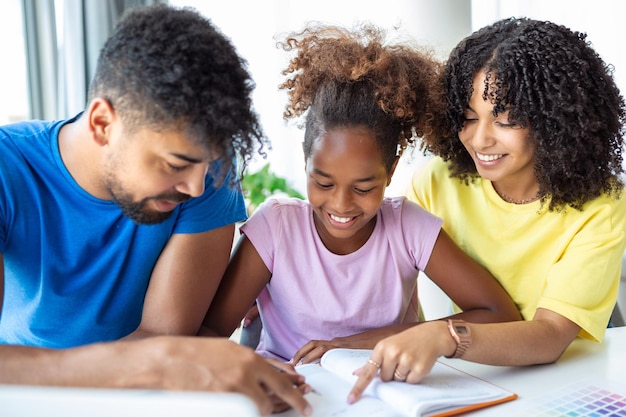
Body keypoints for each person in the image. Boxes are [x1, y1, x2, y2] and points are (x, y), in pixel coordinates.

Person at [0, 4, 311, 416]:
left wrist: (183, 366)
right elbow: (161, 354)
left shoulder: (206, 173)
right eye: (175, 165)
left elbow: (164, 336)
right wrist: (159, 364)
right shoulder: (8, 167)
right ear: (102, 123)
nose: (196, 187)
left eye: (207, 166)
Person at [201, 24, 521, 364]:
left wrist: (352, 343)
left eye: (364, 188)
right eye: (323, 183)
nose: (341, 204)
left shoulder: (406, 227)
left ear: (392, 169)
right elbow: (209, 334)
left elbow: (498, 313)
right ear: (305, 158)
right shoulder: (275, 228)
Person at [348, 17, 626, 403]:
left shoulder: (602, 204)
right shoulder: (436, 183)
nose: (479, 139)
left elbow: (549, 337)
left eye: (506, 119)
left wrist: (446, 336)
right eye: (468, 117)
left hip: (572, 376)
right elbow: (381, 278)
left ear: (554, 119)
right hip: (479, 372)